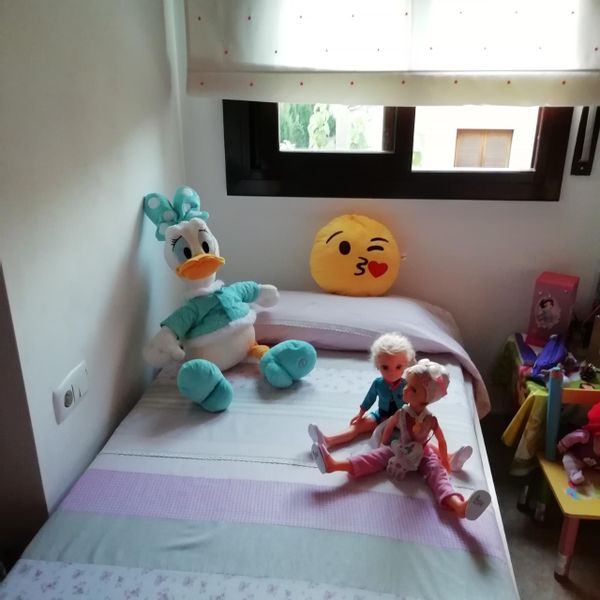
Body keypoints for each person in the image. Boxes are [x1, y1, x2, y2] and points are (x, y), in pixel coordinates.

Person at [311, 359, 491, 520]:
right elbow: (389, 428)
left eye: (412, 389)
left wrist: (444, 462)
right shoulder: (401, 413)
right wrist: (384, 445)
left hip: (423, 453)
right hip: (398, 447)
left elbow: (441, 441)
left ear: (426, 399)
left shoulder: (431, 419)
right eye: (407, 385)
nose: (404, 389)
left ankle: (458, 506)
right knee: (372, 458)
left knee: (438, 474)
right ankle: (333, 465)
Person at [308, 332, 472, 471]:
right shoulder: (378, 383)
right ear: (377, 365)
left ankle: (449, 458)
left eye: (398, 367)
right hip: (381, 415)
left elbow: (420, 399)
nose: (392, 372)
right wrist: (360, 413)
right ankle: (327, 440)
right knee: (357, 427)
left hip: (403, 420)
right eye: (385, 367)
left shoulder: (409, 385)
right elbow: (369, 399)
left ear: (406, 365)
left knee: (420, 442)